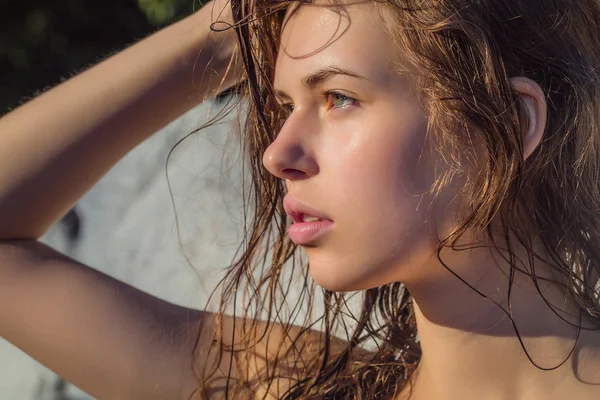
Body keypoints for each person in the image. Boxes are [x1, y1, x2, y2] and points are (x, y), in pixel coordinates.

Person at [1, 0, 600, 398]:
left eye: (338, 98)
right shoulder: (292, 388)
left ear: (507, 122)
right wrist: (230, 29)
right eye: (285, 105)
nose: (276, 153)